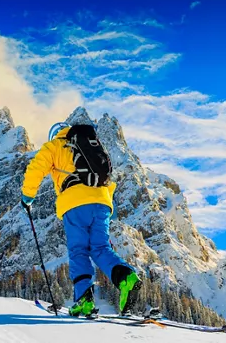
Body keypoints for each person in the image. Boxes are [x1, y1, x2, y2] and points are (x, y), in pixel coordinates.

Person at [20, 122, 140, 317]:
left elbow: (36, 168)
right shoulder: (91, 144)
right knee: (101, 248)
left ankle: (84, 299)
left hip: (75, 203)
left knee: (79, 250)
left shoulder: (55, 145)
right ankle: (126, 277)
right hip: (102, 202)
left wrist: (27, 196)